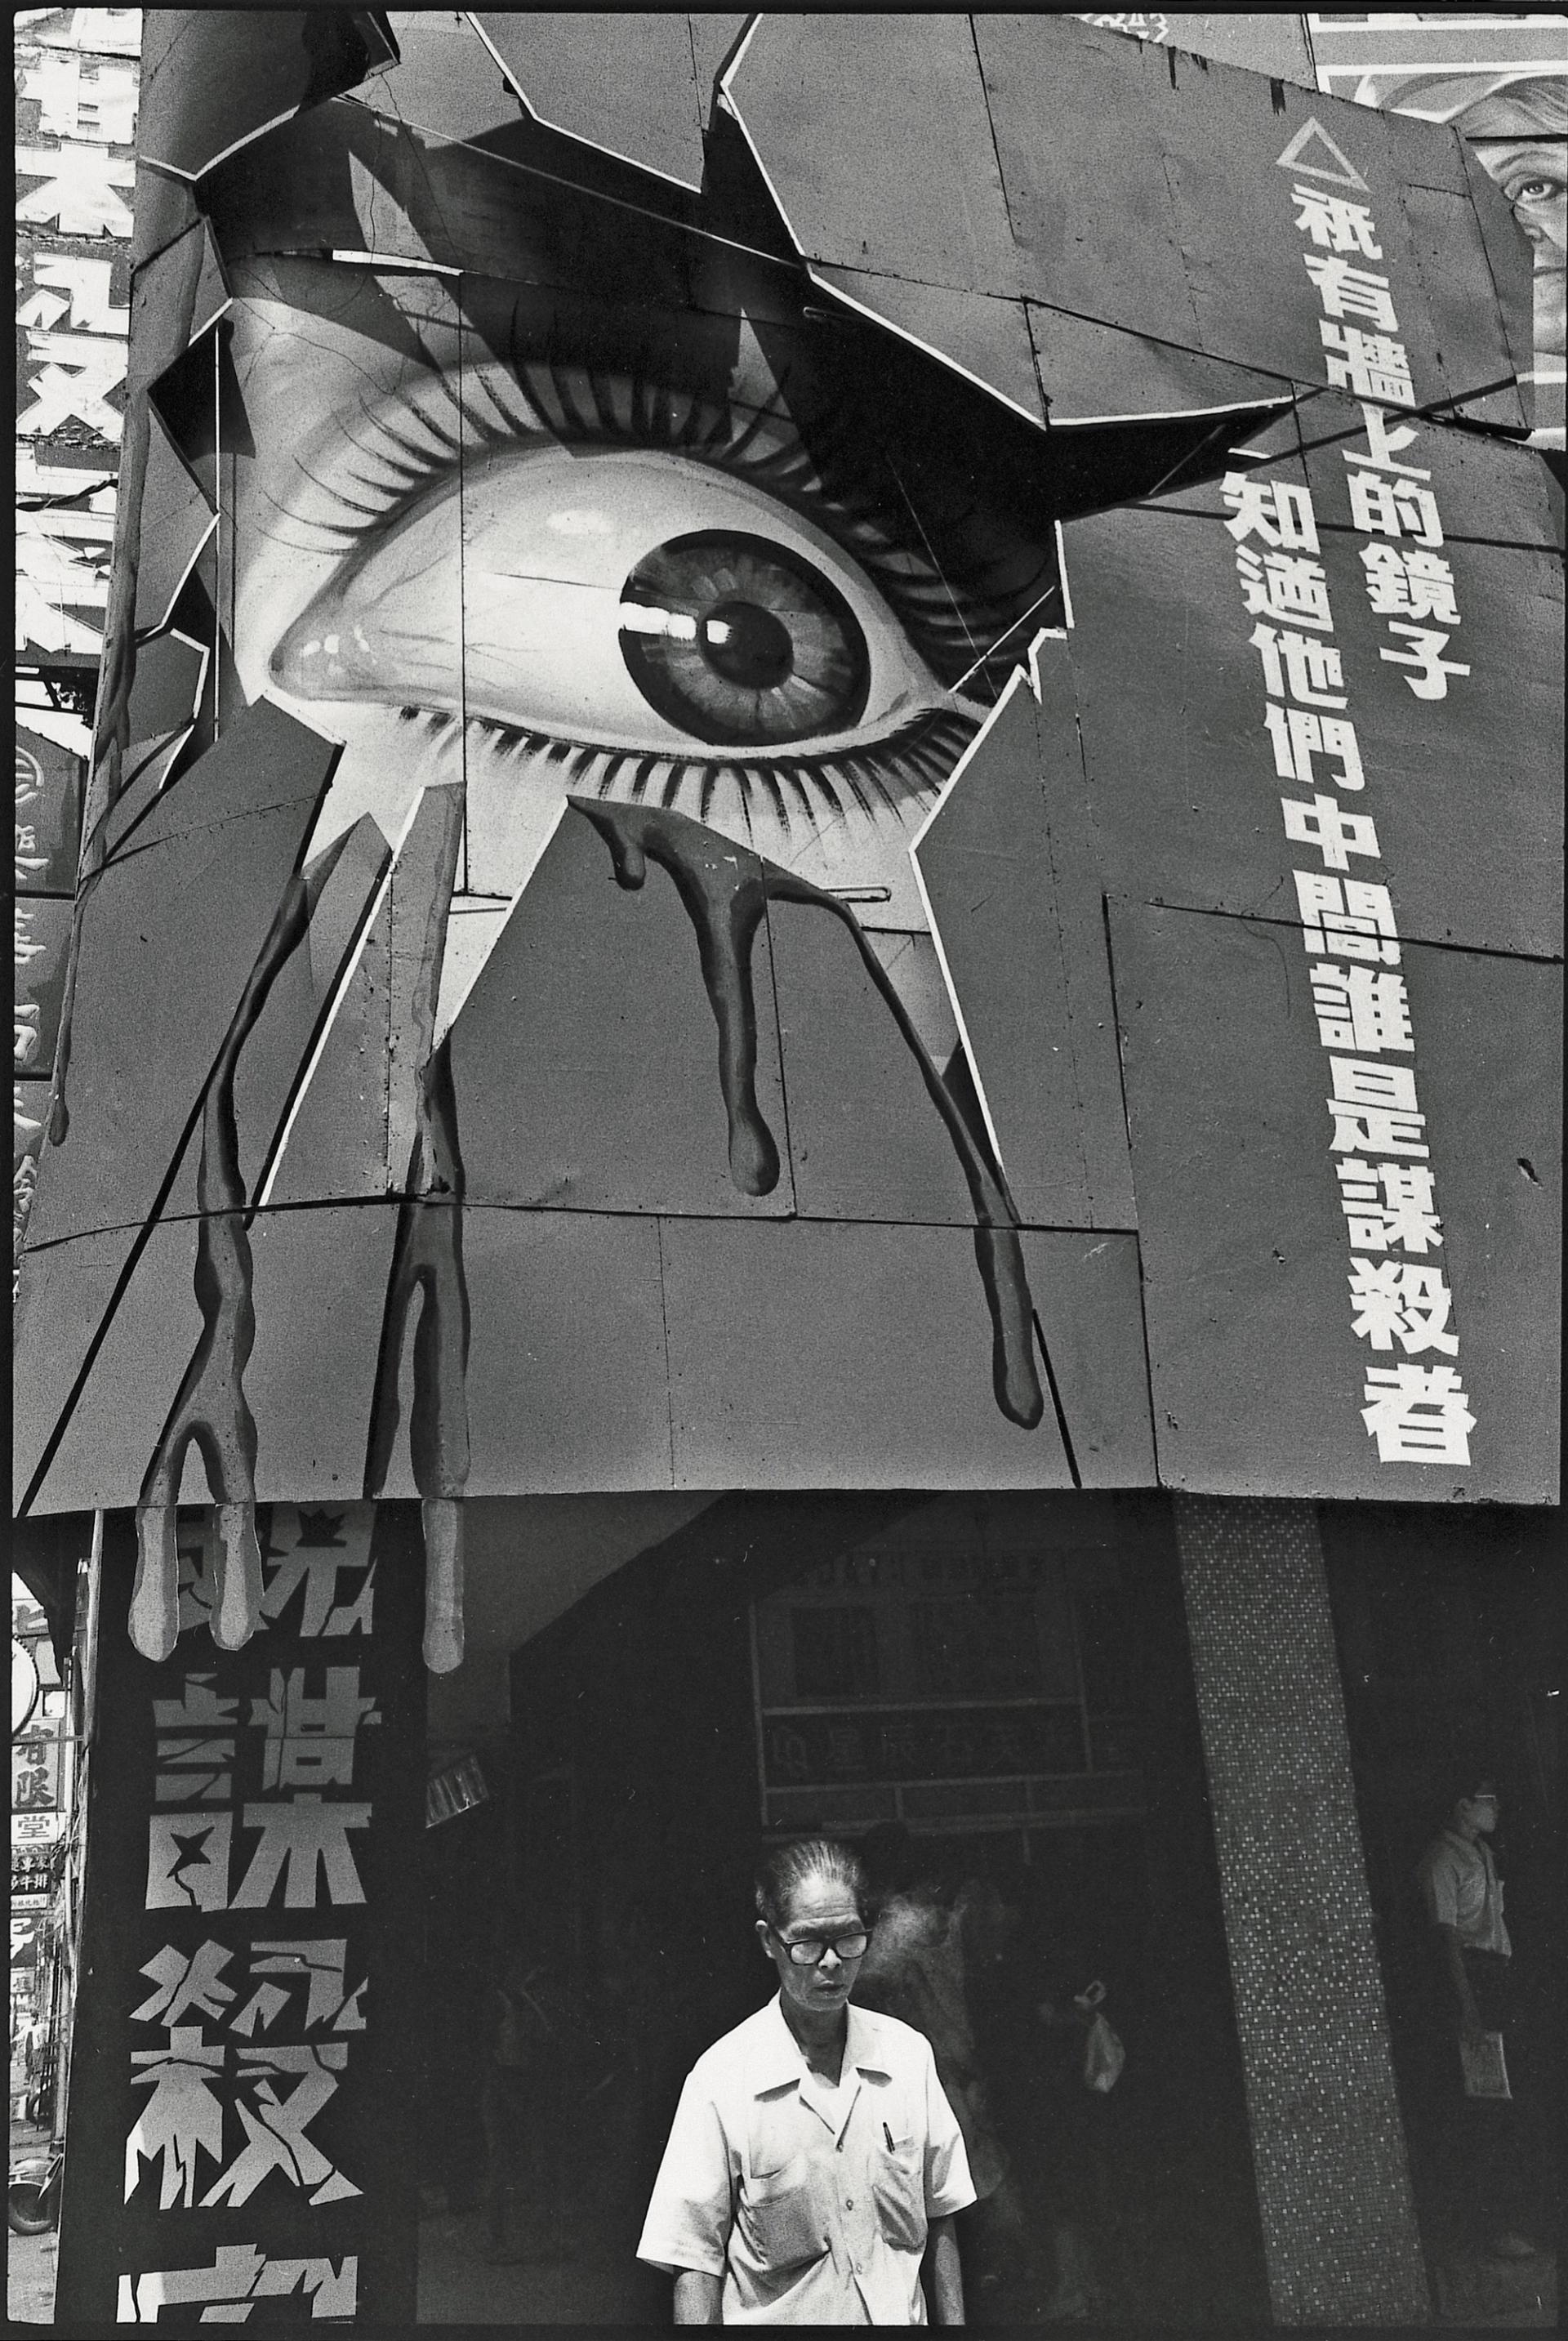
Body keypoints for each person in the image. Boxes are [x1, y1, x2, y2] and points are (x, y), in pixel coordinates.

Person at [637, 1837, 974, 2323]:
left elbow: (941, 2212)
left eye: (848, 1938)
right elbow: (694, 2259)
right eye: (808, 1943)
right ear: (768, 1941)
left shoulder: (906, 2057)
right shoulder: (722, 2078)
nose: (831, 1961)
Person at [1413, 1774, 1538, 2262]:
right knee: (1485, 2103)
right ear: (1463, 1805)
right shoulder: (1441, 1859)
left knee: (1508, 2098)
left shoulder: (1482, 1853)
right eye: (1488, 1800)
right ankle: (1492, 2228)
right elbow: (1445, 1938)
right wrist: (1466, 2004)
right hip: (1473, 1979)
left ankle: (1511, 2221)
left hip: (1497, 1976)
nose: (1496, 1807)